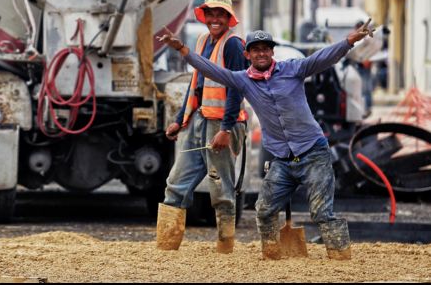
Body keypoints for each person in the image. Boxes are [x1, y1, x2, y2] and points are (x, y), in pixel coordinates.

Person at [160, 21, 375, 260]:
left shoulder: (294, 69)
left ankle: (341, 259)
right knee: (263, 210)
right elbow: (211, 70)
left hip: (313, 153)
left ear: (272, 52)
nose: (261, 53)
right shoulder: (242, 80)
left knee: (322, 212)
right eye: (256, 49)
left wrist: (350, 40)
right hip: (282, 160)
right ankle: (272, 256)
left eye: (265, 48)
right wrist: (182, 49)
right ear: (247, 54)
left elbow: (324, 57)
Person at [156, 0, 248, 254]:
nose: (215, 19)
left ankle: (225, 247)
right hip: (199, 121)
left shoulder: (233, 45)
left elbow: (236, 89)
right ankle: (166, 246)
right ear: (205, 17)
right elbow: (195, 84)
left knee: (220, 188)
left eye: (221, 14)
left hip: (222, 125)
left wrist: (226, 129)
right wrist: (178, 120)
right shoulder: (202, 40)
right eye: (211, 14)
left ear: (229, 19)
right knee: (176, 182)